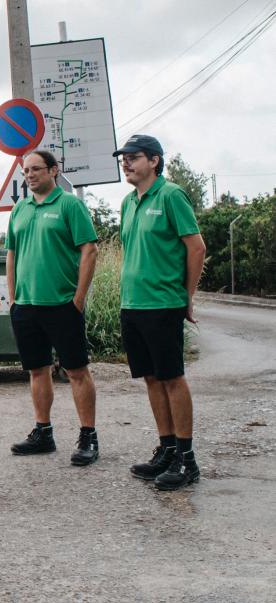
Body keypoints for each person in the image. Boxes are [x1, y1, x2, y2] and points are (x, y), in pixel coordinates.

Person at [114, 135, 207, 490]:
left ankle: (187, 459)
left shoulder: (171, 196)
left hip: (163, 304)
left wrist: (186, 296)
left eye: (133, 157)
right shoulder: (128, 203)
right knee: (151, 378)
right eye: (123, 158)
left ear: (154, 161)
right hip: (133, 304)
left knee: (172, 377)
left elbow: (195, 247)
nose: (126, 163)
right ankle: (167, 449)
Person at [5, 150, 100, 466]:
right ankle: (43, 432)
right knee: (36, 370)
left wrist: (78, 298)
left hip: (62, 304)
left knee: (76, 371)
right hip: (26, 305)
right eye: (25, 170)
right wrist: (13, 296)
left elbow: (89, 249)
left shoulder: (70, 205)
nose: (29, 175)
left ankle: (88, 437)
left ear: (53, 171)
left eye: (36, 169)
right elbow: (11, 254)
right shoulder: (20, 209)